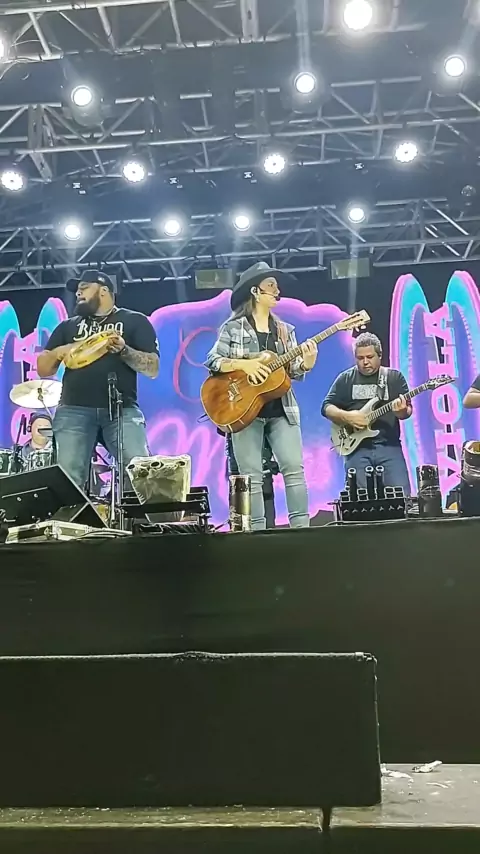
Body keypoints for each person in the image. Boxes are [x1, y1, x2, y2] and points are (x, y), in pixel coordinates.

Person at [205, 261, 317, 530]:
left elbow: (293, 371)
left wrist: (306, 364)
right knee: (251, 475)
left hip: (282, 409)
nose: (277, 290)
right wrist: (245, 365)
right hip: (243, 410)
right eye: (271, 285)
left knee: (294, 468)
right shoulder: (233, 328)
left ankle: (302, 530)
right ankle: (256, 532)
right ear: (255, 291)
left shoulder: (285, 331)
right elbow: (213, 360)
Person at [36, 270, 159, 489]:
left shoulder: (134, 321)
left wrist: (124, 350)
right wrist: (60, 351)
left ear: (103, 290)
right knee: (68, 477)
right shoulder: (67, 326)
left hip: (121, 409)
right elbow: (43, 369)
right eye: (77, 290)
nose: (78, 293)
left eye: (84, 288)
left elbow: (153, 368)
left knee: (139, 471)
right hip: (74, 409)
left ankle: (138, 513)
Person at [321, 332, 412, 493]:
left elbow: (407, 411)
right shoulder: (346, 379)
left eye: (369, 357)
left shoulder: (394, 377)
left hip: (389, 447)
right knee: (360, 500)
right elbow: (326, 407)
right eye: (360, 358)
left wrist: (402, 411)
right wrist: (348, 417)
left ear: (379, 356)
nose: (365, 362)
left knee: (402, 498)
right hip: (357, 449)